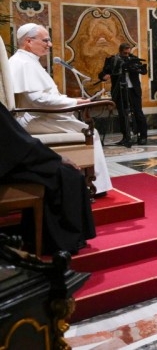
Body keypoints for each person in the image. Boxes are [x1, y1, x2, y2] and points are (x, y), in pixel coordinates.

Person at [9, 23, 113, 195]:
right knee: (90, 132)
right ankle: (94, 185)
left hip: (40, 116)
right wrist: (73, 102)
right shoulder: (23, 63)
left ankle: (82, 181)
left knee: (83, 127)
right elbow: (38, 100)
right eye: (45, 40)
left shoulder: (26, 61)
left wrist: (70, 102)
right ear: (28, 41)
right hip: (34, 118)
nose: (49, 44)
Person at [0, 102, 96, 255]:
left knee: (63, 171)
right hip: (8, 167)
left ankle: (40, 238)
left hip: (11, 161)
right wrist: (55, 158)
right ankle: (58, 242)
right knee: (65, 174)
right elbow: (18, 142)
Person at [99, 43, 149, 146]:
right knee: (122, 114)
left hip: (133, 90)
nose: (126, 55)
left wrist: (136, 68)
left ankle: (143, 136)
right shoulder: (112, 60)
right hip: (120, 89)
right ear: (120, 51)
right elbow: (103, 73)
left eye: (128, 52)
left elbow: (144, 71)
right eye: (124, 53)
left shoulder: (134, 59)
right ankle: (126, 137)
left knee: (138, 112)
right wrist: (104, 76)